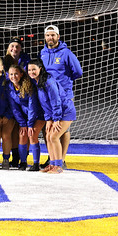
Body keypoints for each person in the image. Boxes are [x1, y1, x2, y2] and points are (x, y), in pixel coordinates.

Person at [39, 25, 83, 169]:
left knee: (63, 129)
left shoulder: (66, 53)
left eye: (53, 35)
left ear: (58, 37)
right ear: (45, 37)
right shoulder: (43, 53)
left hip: (64, 96)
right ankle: (53, 158)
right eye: (48, 35)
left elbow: (78, 72)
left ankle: (61, 160)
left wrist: (63, 83)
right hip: (49, 96)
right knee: (50, 127)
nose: (50, 38)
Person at [27, 59, 76, 173]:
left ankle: (59, 166)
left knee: (54, 137)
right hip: (55, 114)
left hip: (65, 112)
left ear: (40, 69)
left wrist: (57, 119)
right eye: (29, 70)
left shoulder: (48, 81)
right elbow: (45, 104)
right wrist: (48, 119)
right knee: (48, 136)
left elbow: (56, 101)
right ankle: (52, 164)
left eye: (34, 69)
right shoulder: (38, 82)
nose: (31, 72)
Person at [7, 64, 45, 171]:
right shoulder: (10, 87)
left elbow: (33, 106)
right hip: (26, 117)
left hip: (38, 115)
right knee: (22, 135)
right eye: (11, 74)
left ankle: (36, 164)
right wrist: (23, 123)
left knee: (32, 135)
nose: (13, 76)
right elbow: (14, 108)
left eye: (16, 74)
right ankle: (23, 162)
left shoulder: (29, 85)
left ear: (21, 74)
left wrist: (30, 124)